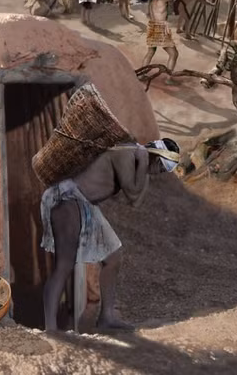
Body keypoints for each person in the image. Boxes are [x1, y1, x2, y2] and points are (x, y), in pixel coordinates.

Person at [40, 138, 180, 332]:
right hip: (69, 198)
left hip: (87, 204)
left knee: (114, 257)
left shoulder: (140, 165)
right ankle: (50, 329)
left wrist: (143, 167)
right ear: (155, 158)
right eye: (162, 167)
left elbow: (136, 202)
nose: (160, 172)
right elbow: (132, 193)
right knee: (64, 264)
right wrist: (143, 164)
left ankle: (107, 317)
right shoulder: (125, 153)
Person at [142, 0, 181, 72]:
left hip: (152, 26)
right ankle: (168, 77)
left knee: (151, 51)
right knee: (174, 54)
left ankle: (142, 73)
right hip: (160, 28)